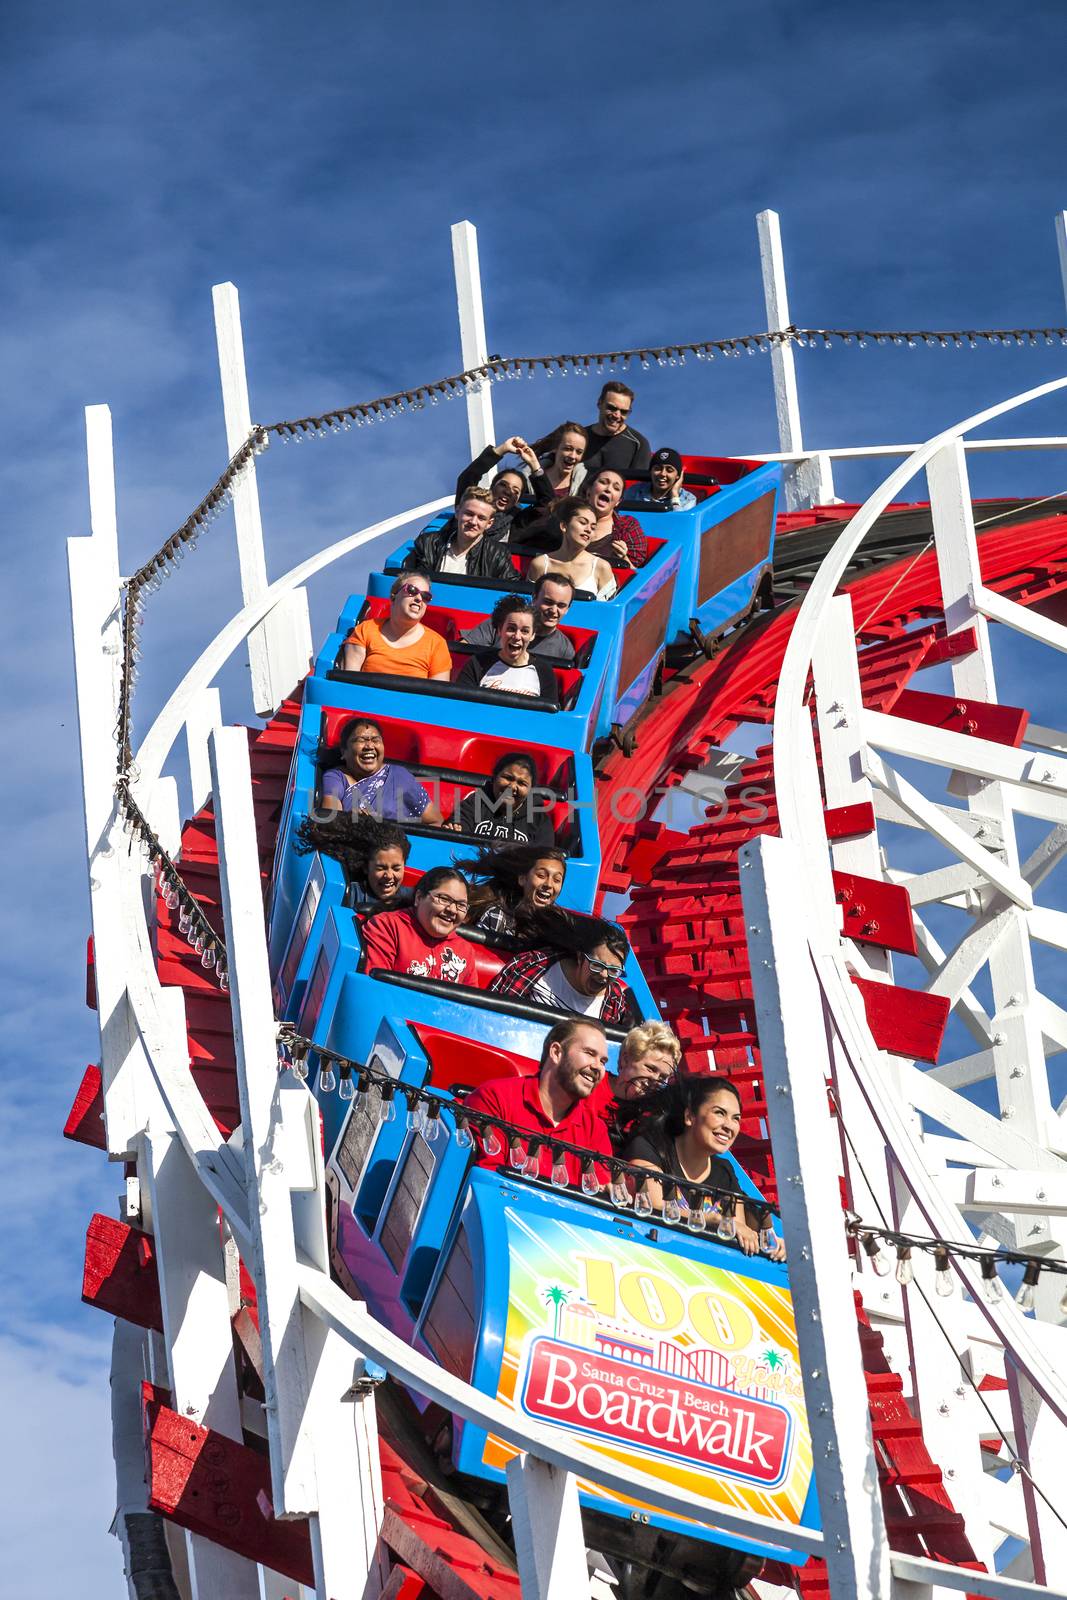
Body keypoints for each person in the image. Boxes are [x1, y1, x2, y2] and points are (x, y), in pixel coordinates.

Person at [623, 1075, 786, 1259]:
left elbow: (740, 1231)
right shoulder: (650, 1147)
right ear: (689, 1116)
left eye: (736, 1118)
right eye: (719, 1113)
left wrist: (771, 1243)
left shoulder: (725, 1172)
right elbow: (652, 1205)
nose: (729, 1126)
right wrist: (712, 1219)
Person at [464, 1018, 612, 1186]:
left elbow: (597, 1199)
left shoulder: (595, 1130)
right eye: (590, 1053)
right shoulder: (494, 1098)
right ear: (556, 1052)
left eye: (603, 1061)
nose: (598, 1067)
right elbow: (486, 1184)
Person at [490, 909, 638, 1025]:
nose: (604, 975)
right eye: (597, 965)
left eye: (613, 970)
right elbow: (493, 1011)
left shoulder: (614, 999)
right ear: (580, 957)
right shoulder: (535, 964)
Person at [361, 866, 483, 986]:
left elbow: (469, 1005)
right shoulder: (386, 926)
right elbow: (374, 987)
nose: (452, 910)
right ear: (419, 898)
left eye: (461, 905)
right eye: (444, 899)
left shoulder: (465, 950)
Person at [319, 717, 443, 824]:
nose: (369, 746)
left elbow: (435, 821)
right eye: (361, 740)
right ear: (344, 751)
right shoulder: (336, 777)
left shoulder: (400, 776)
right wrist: (348, 820)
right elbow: (331, 819)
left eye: (375, 740)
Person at [342, 574, 452, 680]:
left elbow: (436, 696)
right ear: (393, 597)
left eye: (425, 596)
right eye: (412, 590)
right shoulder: (365, 630)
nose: (419, 598)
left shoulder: (437, 645)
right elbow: (348, 682)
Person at [533, 383, 651, 481]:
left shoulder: (639, 443)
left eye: (623, 412)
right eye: (611, 408)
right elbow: (537, 456)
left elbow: (638, 488)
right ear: (599, 403)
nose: (617, 415)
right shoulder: (578, 438)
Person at [295, 813, 413, 910]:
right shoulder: (350, 896)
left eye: (396, 868)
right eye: (380, 868)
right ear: (366, 867)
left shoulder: (412, 900)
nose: (389, 876)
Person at [454, 598, 561, 704]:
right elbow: (459, 704)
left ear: (532, 635)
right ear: (500, 630)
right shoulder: (477, 664)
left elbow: (547, 716)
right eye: (511, 629)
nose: (517, 636)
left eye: (525, 631)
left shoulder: (544, 671)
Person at [593, 1021, 682, 1142]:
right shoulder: (591, 1084)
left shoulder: (651, 1115)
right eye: (650, 1068)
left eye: (662, 1077)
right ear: (625, 1060)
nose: (655, 1079)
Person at [453, 436, 555, 541]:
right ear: (492, 487)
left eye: (516, 491)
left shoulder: (518, 522)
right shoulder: (469, 508)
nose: (508, 492)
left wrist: (534, 464)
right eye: (503, 485)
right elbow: (468, 477)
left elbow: (549, 503)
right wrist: (503, 449)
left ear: (518, 500)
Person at [402, 487, 517, 580]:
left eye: (481, 518)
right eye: (469, 514)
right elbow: (409, 581)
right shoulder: (428, 543)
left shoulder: (497, 554)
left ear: (489, 523)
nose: (473, 522)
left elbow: (512, 589)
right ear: (457, 512)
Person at [459, 573, 577, 663]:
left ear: (568, 609)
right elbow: (462, 651)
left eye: (561, 606)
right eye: (548, 602)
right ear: (534, 598)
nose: (553, 611)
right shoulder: (501, 623)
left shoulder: (565, 650)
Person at [455, 843, 568, 936]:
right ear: (522, 879)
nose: (549, 884)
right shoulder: (498, 917)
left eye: (557, 880)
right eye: (541, 876)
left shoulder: (559, 925)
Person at [447, 751, 555, 848]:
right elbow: (456, 830)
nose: (512, 787)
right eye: (508, 778)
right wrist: (454, 830)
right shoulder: (476, 801)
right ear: (494, 778)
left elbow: (544, 858)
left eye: (522, 783)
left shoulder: (539, 819)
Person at [526, 498, 616, 601]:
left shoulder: (601, 567)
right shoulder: (540, 564)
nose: (588, 530)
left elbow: (607, 612)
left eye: (593, 527)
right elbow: (531, 606)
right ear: (564, 526)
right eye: (583, 522)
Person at [583, 469, 648, 568]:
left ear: (618, 501)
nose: (608, 489)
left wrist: (623, 558)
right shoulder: (569, 517)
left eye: (616, 488)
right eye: (603, 482)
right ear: (588, 491)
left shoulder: (627, 526)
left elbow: (636, 576)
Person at [625, 447, 697, 512]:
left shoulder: (688, 499)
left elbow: (680, 523)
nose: (662, 474)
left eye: (669, 470)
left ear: (678, 476)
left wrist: (675, 496)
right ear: (651, 472)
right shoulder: (635, 491)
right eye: (657, 469)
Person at [537, 422, 589, 498]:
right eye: (568, 449)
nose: (573, 456)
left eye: (579, 452)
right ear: (555, 448)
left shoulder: (585, 487)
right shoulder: (530, 477)